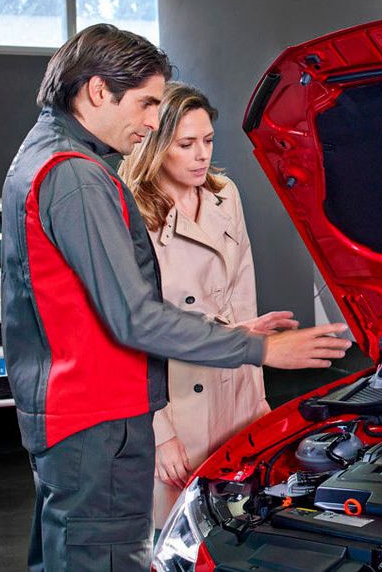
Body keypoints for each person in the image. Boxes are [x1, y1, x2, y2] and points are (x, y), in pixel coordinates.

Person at [1, 24, 352, 572]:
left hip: (72, 417)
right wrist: (263, 352)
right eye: (145, 104)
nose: (150, 121)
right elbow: (135, 317)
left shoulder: (41, 155)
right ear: (98, 91)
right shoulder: (77, 176)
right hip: (98, 422)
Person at [117, 82, 291, 529]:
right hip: (176, 398)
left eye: (208, 141)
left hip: (233, 387)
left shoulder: (224, 194)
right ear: (156, 146)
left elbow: (241, 293)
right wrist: (160, 436)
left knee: (239, 528)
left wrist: (256, 400)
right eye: (187, 144)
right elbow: (130, 333)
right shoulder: (129, 209)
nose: (202, 155)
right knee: (176, 536)